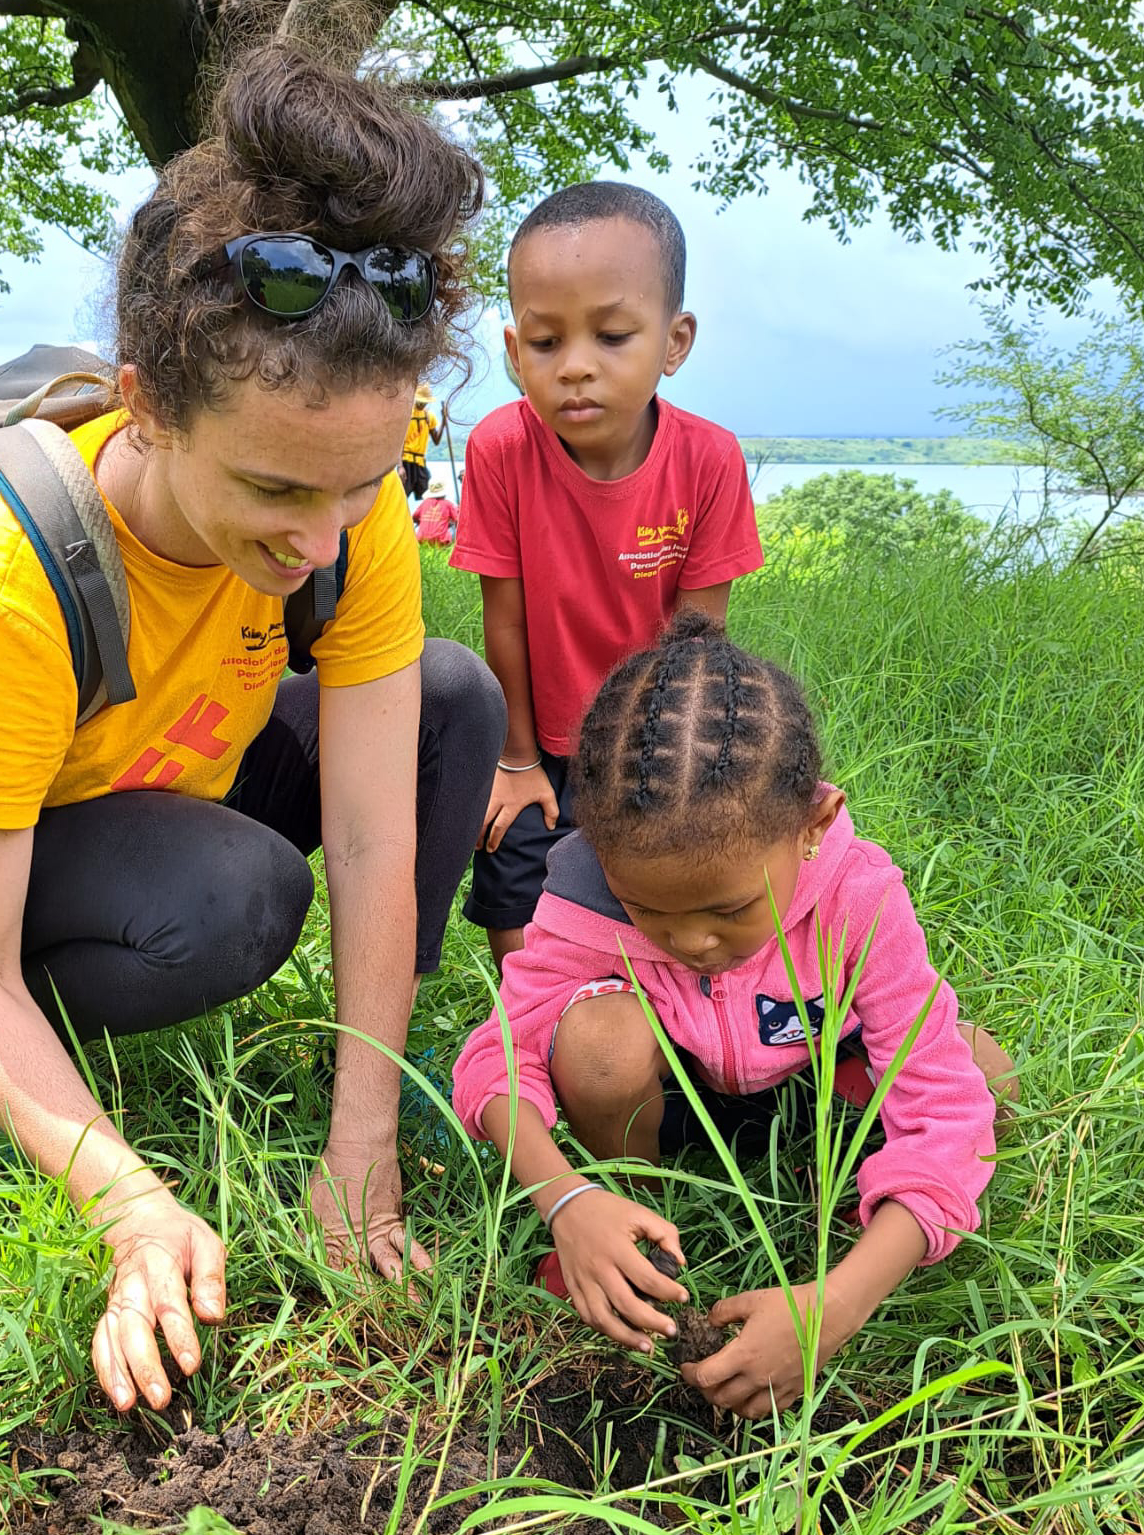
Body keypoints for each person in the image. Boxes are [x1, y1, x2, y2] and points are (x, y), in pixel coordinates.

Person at [0, 47, 504, 1416]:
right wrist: (133, 1207)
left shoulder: (345, 503)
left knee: (448, 698)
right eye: (269, 487)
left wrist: (357, 1137)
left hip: (182, 760)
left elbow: (376, 831)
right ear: (144, 401)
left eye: (360, 485)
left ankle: (372, 1060)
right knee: (235, 900)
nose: (324, 534)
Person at [451, 613, 1018, 1420]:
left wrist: (837, 1301)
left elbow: (946, 1114)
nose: (690, 940)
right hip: (680, 1101)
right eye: (647, 908)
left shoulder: (860, 897)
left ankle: (838, 1182)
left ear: (812, 827)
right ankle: (630, 1226)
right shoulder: (585, 892)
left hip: (811, 1081)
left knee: (986, 1076)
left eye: (729, 909)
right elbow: (495, 1058)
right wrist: (566, 1199)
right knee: (598, 1046)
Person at [451, 182, 763, 975]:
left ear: (674, 340)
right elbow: (507, 621)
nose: (577, 368)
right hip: (540, 737)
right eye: (547, 344)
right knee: (517, 863)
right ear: (517, 354)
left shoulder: (708, 460)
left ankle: (654, 1019)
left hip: (650, 734)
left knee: (657, 885)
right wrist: (516, 758)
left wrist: (661, 765)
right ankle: (528, 1030)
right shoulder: (500, 449)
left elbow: (700, 643)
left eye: (614, 335)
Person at [399, 383, 442, 499]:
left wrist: (444, 421)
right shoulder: (407, 415)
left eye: (425, 402)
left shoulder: (429, 416)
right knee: (402, 495)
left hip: (420, 462)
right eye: (420, 401)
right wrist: (400, 466)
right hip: (406, 461)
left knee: (427, 494)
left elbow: (436, 441)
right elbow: (400, 443)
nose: (422, 404)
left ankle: (424, 516)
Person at [413, 479, 458, 545]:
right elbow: (458, 520)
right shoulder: (448, 504)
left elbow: (414, 517)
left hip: (422, 540)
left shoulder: (424, 503)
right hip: (441, 541)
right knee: (452, 529)